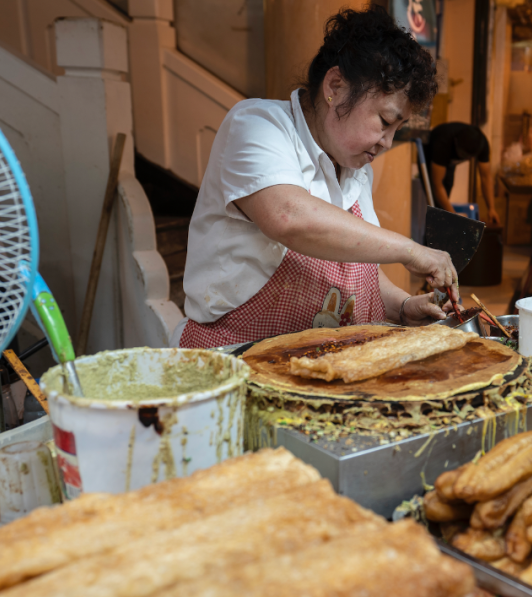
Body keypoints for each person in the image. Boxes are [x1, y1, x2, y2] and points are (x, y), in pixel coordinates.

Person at [174, 8, 457, 348]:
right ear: (335, 86)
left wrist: (404, 306)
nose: (387, 142)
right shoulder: (257, 125)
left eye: (398, 128)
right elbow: (289, 217)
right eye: (384, 121)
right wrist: (410, 250)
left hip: (325, 365)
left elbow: (354, 273)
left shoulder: (354, 169)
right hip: (235, 360)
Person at [424, 122, 501, 226]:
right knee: (435, 202)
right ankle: (430, 238)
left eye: (470, 157)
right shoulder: (443, 143)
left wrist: (491, 208)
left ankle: (443, 228)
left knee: (448, 186)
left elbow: (485, 177)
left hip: (448, 157)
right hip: (430, 150)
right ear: (456, 143)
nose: (468, 160)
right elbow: (437, 184)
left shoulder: (481, 143)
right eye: (464, 155)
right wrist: (454, 217)